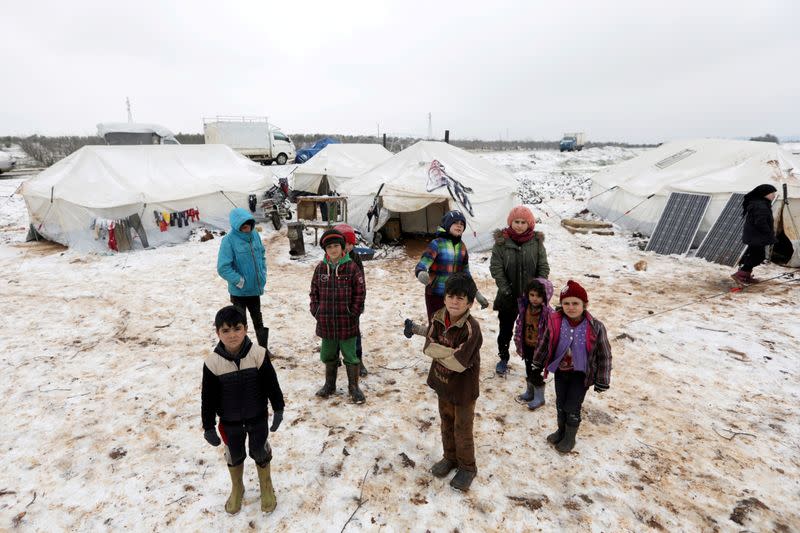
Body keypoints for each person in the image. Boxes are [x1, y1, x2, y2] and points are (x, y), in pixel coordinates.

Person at [403, 273, 483, 492]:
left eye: (460, 298)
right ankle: (450, 457)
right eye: (450, 296)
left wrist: (442, 352)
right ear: (445, 297)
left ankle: (467, 466)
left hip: (463, 388)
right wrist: (445, 352)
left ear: (469, 302)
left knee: (462, 427)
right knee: (446, 421)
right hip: (442, 382)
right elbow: (428, 346)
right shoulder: (438, 317)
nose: (454, 301)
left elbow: (459, 362)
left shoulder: (471, 329)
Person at [201, 306, 285, 514]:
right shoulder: (212, 363)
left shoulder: (258, 354)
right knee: (235, 454)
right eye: (226, 331)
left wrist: (279, 408)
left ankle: (266, 486)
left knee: (259, 450)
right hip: (229, 423)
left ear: (246, 329)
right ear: (217, 333)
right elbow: (208, 398)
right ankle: (237, 487)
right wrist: (208, 426)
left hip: (257, 417)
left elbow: (272, 384)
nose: (232, 335)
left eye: (237, 329)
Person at [532, 280, 612, 453]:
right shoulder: (555, 322)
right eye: (566, 303)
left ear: (585, 304)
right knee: (560, 403)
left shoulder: (596, 327)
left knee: (572, 406)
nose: (571, 307)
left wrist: (602, 380)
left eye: (575, 303)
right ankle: (561, 431)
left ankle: (570, 437)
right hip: (561, 371)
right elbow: (544, 343)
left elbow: (604, 354)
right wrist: (537, 361)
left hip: (581, 375)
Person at [489, 205, 549, 376]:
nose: (519, 225)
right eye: (516, 221)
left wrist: (537, 290)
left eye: (523, 222)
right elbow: (496, 268)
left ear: (529, 224)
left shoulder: (536, 243)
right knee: (506, 330)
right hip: (507, 296)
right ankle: (503, 357)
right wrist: (506, 289)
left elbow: (543, 266)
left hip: (531, 299)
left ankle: (531, 361)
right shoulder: (501, 243)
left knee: (530, 331)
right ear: (511, 222)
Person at [310, 229, 367, 403]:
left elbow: (360, 292)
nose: (333, 250)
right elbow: (314, 292)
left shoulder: (351, 267)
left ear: (342, 247)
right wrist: (316, 310)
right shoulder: (320, 268)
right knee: (328, 354)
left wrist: (353, 311)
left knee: (350, 355)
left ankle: (353, 387)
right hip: (326, 321)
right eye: (329, 247)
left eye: (336, 246)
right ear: (325, 249)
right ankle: (330, 384)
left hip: (346, 321)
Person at [414, 210, 488, 322]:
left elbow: (466, 273)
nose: (459, 225)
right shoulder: (437, 243)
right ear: (447, 225)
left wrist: (475, 293)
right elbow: (423, 263)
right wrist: (421, 272)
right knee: (436, 324)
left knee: (452, 326)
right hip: (436, 293)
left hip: (454, 295)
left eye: (462, 224)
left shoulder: (462, 247)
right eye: (455, 223)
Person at [217, 208, 269, 350]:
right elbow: (223, 267)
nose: (247, 229)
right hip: (239, 292)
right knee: (239, 323)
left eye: (249, 226)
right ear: (236, 226)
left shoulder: (255, 235)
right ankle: (242, 351)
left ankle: (263, 350)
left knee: (258, 320)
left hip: (254, 289)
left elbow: (262, 255)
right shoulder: (228, 241)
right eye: (243, 227)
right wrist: (240, 281)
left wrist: (262, 273)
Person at [512, 278, 554, 410]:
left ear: (546, 296)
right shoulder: (525, 308)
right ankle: (530, 392)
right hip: (527, 345)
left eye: (539, 296)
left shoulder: (548, 313)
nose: (535, 299)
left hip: (540, 350)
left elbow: (551, 333)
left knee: (536, 373)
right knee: (528, 369)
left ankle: (539, 397)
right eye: (532, 295)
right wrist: (518, 339)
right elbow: (520, 324)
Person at [334, 223, 368, 377]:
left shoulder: (355, 259)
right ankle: (334, 358)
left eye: (350, 244)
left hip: (351, 306)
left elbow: (361, 284)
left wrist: (358, 305)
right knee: (332, 334)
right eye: (345, 244)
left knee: (354, 334)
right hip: (333, 307)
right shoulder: (330, 261)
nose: (348, 247)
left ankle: (357, 359)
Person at [732, 184, 778, 286]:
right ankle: (740, 275)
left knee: (755, 256)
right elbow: (760, 222)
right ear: (765, 194)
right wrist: (769, 234)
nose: (774, 195)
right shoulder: (760, 205)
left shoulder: (762, 203)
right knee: (758, 257)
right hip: (756, 237)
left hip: (755, 236)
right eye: (772, 193)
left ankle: (745, 275)